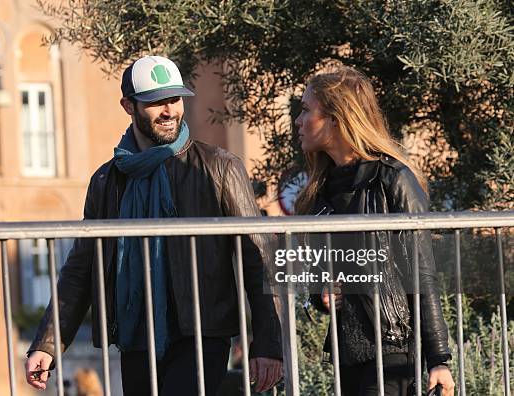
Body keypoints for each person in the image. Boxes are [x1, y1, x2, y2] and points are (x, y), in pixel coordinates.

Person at [25, 55, 283, 395]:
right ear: (128, 106)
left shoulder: (219, 167)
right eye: (155, 102)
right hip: (135, 338)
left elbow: (259, 258)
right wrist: (47, 343)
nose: (169, 111)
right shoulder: (107, 180)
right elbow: (81, 268)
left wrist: (267, 343)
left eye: (174, 100)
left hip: (203, 335)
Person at [294, 65, 455, 396]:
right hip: (347, 352)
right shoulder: (320, 190)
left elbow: (422, 272)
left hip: (392, 350)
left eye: (307, 110)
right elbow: (320, 275)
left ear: (337, 118)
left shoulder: (393, 179)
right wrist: (324, 294)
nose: (298, 120)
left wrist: (439, 359)